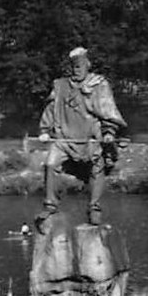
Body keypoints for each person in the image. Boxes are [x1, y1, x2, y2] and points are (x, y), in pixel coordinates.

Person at [38, 47, 127, 230]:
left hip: (90, 139)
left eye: (79, 66)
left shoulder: (99, 84)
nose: (76, 70)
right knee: (50, 163)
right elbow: (50, 108)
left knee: (97, 166)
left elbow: (108, 111)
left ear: (87, 65)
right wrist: (45, 130)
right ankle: (50, 206)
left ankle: (94, 208)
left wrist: (109, 133)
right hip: (64, 139)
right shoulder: (60, 85)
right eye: (73, 66)